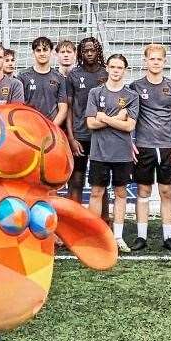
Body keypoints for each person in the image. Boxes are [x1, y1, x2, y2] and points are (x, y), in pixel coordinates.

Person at [131, 43, 171, 253]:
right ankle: (141, 236)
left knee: (166, 192)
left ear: (165, 61)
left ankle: (169, 237)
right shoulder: (135, 86)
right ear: (145, 61)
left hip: (166, 147)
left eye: (159, 59)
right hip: (143, 146)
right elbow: (129, 116)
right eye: (151, 58)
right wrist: (130, 143)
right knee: (143, 191)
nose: (155, 62)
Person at [85, 53, 139, 253]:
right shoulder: (95, 93)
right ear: (107, 68)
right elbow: (91, 123)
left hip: (122, 153)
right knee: (96, 192)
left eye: (120, 68)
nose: (116, 71)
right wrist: (117, 117)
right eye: (113, 67)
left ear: (125, 70)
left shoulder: (131, 96)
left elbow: (129, 127)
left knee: (121, 193)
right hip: (99, 152)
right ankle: (93, 237)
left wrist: (105, 118)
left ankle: (118, 237)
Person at [64, 36, 107, 219]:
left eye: (93, 50)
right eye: (85, 50)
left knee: (101, 181)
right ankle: (74, 223)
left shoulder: (106, 73)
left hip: (102, 136)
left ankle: (104, 222)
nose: (89, 53)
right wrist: (72, 138)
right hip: (80, 136)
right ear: (80, 53)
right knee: (77, 180)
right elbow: (69, 109)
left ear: (98, 51)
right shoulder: (73, 75)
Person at [17, 35, 68, 127]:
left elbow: (63, 108)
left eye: (45, 50)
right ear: (33, 53)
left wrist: (51, 127)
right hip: (29, 127)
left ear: (51, 52)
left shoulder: (59, 77)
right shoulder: (23, 76)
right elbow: (19, 106)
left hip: (52, 128)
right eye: (38, 50)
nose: (42, 53)